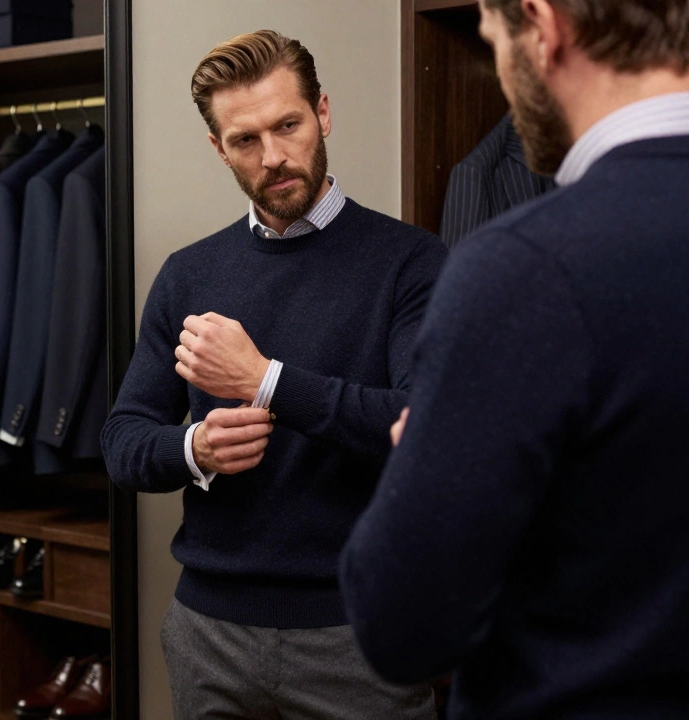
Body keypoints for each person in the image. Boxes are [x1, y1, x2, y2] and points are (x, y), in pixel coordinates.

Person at [340, 1, 689, 717]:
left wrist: (424, 458)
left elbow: (403, 630)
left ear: (542, 25)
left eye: (494, 42)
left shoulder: (525, 269)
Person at [101, 30, 446, 719]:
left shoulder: (411, 263)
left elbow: (424, 429)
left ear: (323, 111)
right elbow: (123, 439)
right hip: (209, 634)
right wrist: (191, 449)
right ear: (217, 148)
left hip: (359, 635)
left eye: (287, 125)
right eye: (244, 140)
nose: (274, 157)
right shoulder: (188, 274)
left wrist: (266, 381)